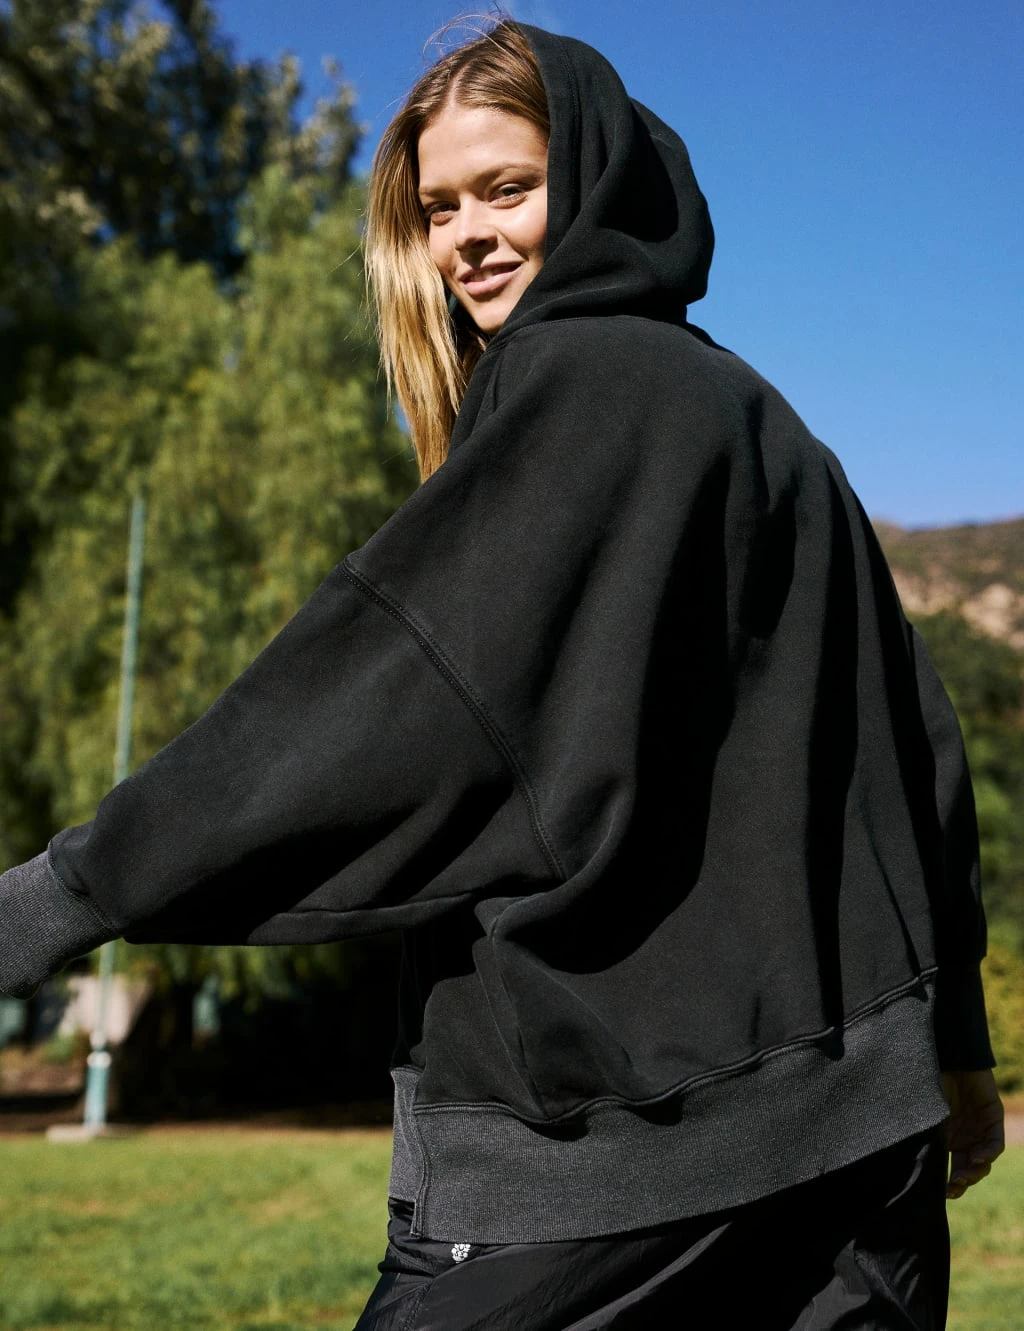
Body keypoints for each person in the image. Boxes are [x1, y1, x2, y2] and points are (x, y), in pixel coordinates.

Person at [0, 17, 1005, 1330]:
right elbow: (920, 754)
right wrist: (957, 1044)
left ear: (591, 179)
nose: (467, 235)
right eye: (439, 208)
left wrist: (61, 896)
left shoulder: (580, 379)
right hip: (857, 1157)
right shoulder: (764, 423)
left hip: (609, 1156)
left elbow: (390, 702)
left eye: (508, 189)